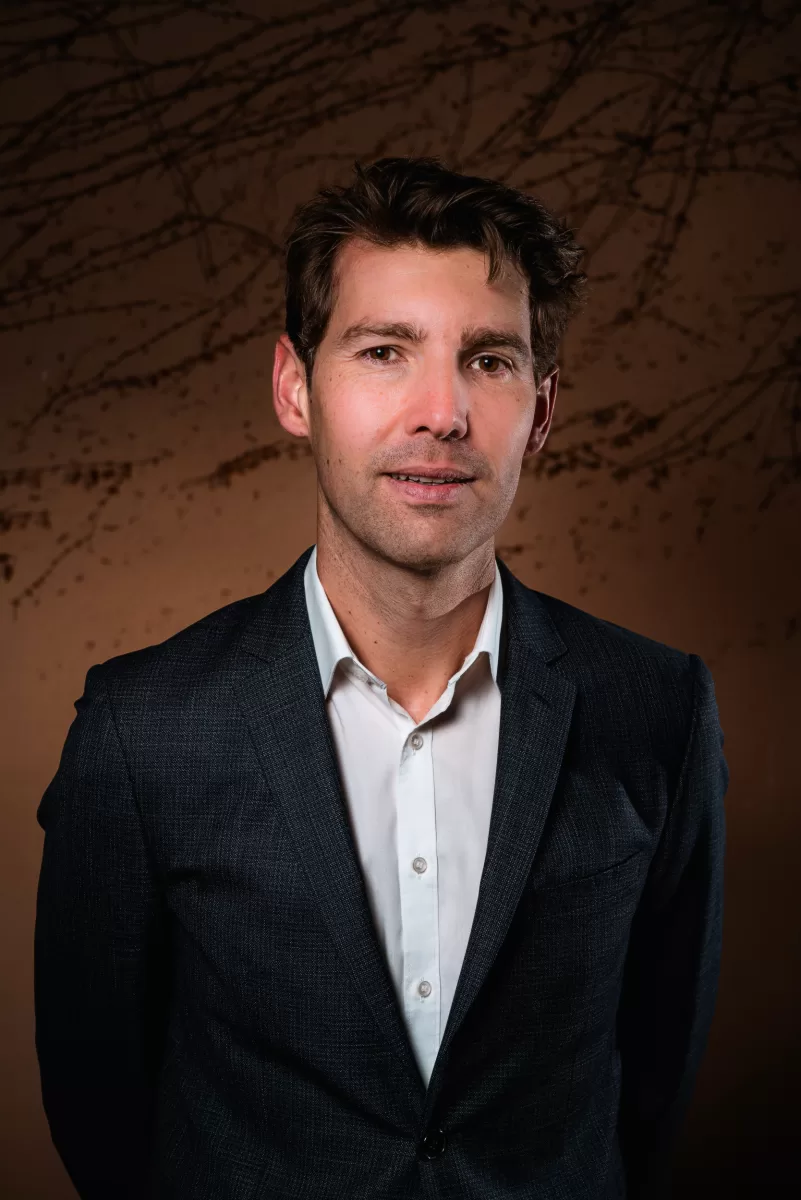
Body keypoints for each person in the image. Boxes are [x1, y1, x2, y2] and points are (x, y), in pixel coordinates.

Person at [34, 156, 728, 1200]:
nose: (441, 410)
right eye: (385, 350)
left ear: (539, 413)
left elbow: (655, 1074)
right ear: (294, 388)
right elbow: (100, 1109)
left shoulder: (656, 709)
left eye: (489, 361)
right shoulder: (145, 728)